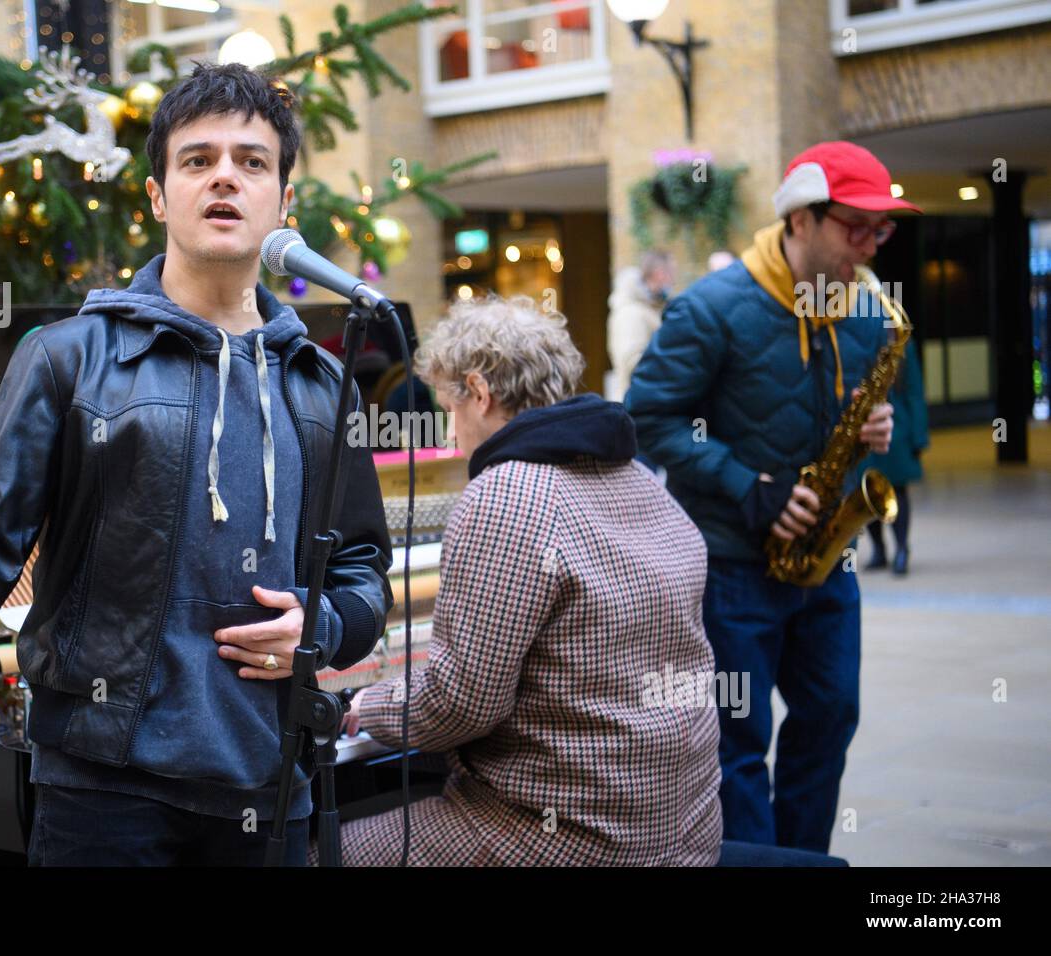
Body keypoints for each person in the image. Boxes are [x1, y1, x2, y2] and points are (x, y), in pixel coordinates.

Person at [0, 63, 393, 866]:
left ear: (285, 203)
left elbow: (362, 577)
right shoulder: (71, 359)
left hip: (271, 784)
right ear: (157, 197)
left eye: (252, 162)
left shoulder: (324, 385)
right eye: (198, 159)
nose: (225, 176)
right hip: (104, 794)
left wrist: (318, 629)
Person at [332, 294, 723, 866]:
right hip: (684, 828)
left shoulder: (510, 491)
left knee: (315, 851)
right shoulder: (640, 480)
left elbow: (459, 705)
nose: (453, 433)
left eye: (450, 410)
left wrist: (366, 703)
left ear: (480, 392)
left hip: (571, 838)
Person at [626, 141, 918, 853]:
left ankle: (805, 860)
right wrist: (746, 486)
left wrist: (878, 423)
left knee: (831, 716)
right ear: (801, 219)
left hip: (825, 561)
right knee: (737, 738)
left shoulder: (868, 308)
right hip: (731, 562)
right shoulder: (711, 309)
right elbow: (646, 416)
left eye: (882, 232)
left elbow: (869, 405)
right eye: (857, 228)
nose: (871, 247)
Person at [862, 337, 928, 575]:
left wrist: (919, 437)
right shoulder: (857, 338)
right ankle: (879, 549)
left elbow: (915, 393)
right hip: (865, 430)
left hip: (897, 431)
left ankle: (901, 548)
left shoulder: (902, 345)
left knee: (898, 491)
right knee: (866, 497)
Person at [607, 249, 675, 402]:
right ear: (659, 274)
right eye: (671, 273)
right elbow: (632, 363)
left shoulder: (652, 308)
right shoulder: (630, 313)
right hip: (639, 406)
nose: (673, 280)